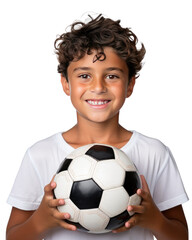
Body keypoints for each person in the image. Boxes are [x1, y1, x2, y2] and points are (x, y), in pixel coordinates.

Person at [6, 14, 189, 240]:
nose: (98, 87)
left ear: (130, 84)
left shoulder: (154, 152)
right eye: (84, 75)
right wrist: (41, 220)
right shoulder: (40, 155)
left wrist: (154, 220)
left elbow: (181, 235)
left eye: (112, 76)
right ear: (66, 84)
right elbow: (13, 236)